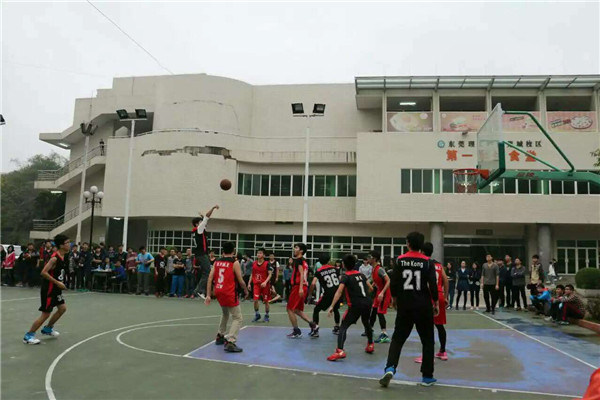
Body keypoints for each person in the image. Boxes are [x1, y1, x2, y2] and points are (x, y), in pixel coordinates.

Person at [380, 232, 439, 388]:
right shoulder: (428, 262)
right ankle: (427, 376)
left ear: (407, 243)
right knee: (427, 341)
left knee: (398, 338)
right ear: (421, 245)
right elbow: (432, 284)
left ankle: (390, 367)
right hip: (423, 306)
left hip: (405, 305)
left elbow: (394, 282)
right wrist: (436, 302)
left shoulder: (400, 260)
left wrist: (394, 299)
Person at [23, 234, 70, 345]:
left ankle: (48, 329)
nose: (70, 245)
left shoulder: (64, 256)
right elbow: (43, 272)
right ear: (61, 245)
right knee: (46, 314)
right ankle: (28, 336)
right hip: (49, 289)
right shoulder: (54, 258)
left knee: (62, 308)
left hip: (56, 289)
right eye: (67, 243)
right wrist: (58, 283)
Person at [326, 254, 374, 361]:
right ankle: (370, 344)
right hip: (367, 302)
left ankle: (340, 350)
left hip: (355, 305)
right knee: (366, 322)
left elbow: (339, 292)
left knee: (343, 326)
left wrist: (332, 306)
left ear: (343, 264)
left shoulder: (346, 277)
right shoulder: (361, 275)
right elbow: (371, 288)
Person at [205, 241, 249, 353]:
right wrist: (245, 290)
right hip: (229, 292)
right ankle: (231, 341)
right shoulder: (234, 262)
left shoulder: (217, 262)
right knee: (238, 317)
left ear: (222, 251)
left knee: (225, 313)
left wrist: (208, 295)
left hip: (218, 291)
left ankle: (220, 335)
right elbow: (240, 280)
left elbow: (210, 278)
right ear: (233, 251)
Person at [415, 242, 449, 363]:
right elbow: (446, 281)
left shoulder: (423, 264)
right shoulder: (438, 265)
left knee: (426, 327)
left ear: (422, 252)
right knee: (440, 326)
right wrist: (445, 297)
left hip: (428, 296)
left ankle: (427, 355)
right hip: (439, 295)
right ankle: (442, 351)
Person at [286, 243, 317, 338]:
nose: (294, 249)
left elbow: (302, 273)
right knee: (297, 310)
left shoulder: (299, 260)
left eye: (296, 248)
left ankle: (296, 331)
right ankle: (314, 325)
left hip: (298, 287)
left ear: (301, 251)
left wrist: (300, 288)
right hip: (303, 286)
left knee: (289, 309)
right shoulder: (304, 261)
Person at [308, 253, 341, 337]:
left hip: (328, 294)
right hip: (337, 293)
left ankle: (315, 330)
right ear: (328, 260)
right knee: (336, 309)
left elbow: (313, 283)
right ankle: (337, 327)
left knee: (316, 310)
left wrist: (310, 295)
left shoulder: (319, 271)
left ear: (320, 262)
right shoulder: (335, 269)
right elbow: (340, 280)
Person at [192, 205, 220, 299]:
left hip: (200, 254)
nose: (203, 223)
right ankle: (199, 290)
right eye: (201, 222)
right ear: (197, 224)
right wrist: (213, 208)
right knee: (208, 272)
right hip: (201, 254)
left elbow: (205, 219)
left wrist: (201, 216)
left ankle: (200, 290)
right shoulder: (199, 229)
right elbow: (207, 218)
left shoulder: (198, 231)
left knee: (206, 272)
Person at [368, 250, 392, 343]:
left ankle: (384, 334)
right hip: (379, 292)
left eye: (369, 257)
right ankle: (369, 329)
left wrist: (382, 293)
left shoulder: (380, 269)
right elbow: (376, 280)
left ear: (374, 259)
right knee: (374, 310)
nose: (368, 259)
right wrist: (372, 286)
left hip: (384, 293)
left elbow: (388, 280)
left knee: (380, 312)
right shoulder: (373, 269)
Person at [249, 248, 273, 322]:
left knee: (266, 301)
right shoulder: (254, 263)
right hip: (256, 285)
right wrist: (249, 283)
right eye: (258, 253)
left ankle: (267, 315)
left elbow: (270, 274)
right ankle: (257, 314)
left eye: (260, 253)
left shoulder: (267, 264)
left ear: (264, 255)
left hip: (265, 285)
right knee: (255, 300)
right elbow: (252, 274)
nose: (258, 254)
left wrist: (265, 282)